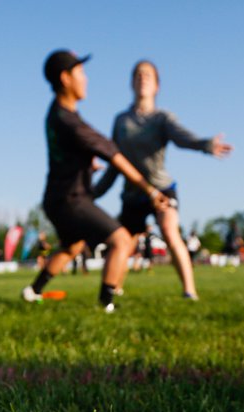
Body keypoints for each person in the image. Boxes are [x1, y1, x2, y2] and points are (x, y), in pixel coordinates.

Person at [24, 50, 170, 312]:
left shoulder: (56, 114)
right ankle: (106, 304)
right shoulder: (70, 121)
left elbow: (68, 151)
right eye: (80, 72)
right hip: (71, 199)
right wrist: (149, 190)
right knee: (122, 240)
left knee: (71, 247)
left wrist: (85, 162)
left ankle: (33, 291)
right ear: (65, 78)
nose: (86, 79)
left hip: (57, 198)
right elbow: (115, 156)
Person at [91, 59, 232, 300]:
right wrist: (91, 194)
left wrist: (204, 145)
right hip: (133, 193)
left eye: (148, 75)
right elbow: (115, 162)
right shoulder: (121, 121)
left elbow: (181, 138)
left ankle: (189, 290)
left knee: (168, 229)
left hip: (162, 189)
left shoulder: (162, 118)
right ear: (131, 84)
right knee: (123, 241)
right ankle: (114, 289)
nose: (142, 78)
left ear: (157, 85)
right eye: (138, 75)